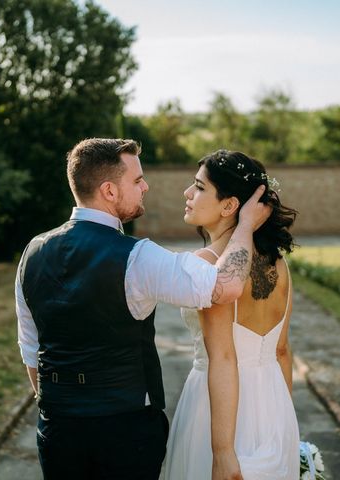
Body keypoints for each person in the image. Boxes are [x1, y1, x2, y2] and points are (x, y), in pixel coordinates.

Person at [14, 138, 271, 480]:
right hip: (125, 432)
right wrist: (245, 226)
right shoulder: (138, 257)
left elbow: (31, 351)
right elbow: (227, 286)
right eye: (136, 181)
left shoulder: (32, 252)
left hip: (57, 429)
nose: (145, 186)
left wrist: (61, 407)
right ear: (109, 190)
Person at [163, 149, 300, 480]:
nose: (187, 193)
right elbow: (282, 351)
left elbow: (223, 357)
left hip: (219, 409)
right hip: (273, 400)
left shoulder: (207, 264)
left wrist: (222, 452)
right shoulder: (278, 264)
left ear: (229, 206)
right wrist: (284, 419)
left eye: (198, 187)